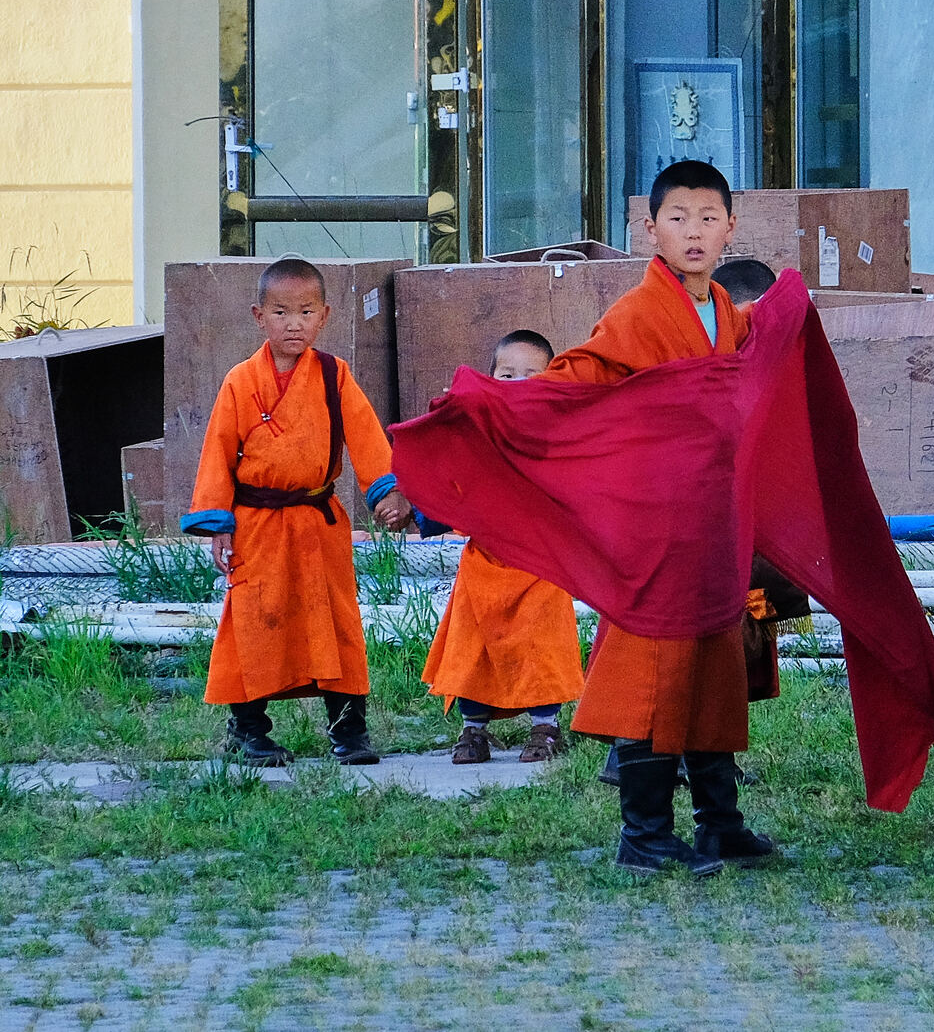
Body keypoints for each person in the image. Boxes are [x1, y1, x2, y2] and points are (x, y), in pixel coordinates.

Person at [544, 160, 776, 877]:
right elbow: (571, 383)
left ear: (731, 228)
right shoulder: (636, 314)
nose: (695, 232)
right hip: (655, 527)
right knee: (654, 672)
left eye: (709, 218)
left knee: (713, 671)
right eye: (678, 218)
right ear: (651, 229)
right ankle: (642, 832)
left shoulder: (730, 318)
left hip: (711, 523)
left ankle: (718, 823)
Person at [180, 257, 413, 766]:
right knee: (255, 621)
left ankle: (349, 731)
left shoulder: (334, 375)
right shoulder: (240, 381)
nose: (294, 323)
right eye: (281, 312)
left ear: (324, 316)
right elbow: (217, 451)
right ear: (258, 316)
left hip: (318, 522)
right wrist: (218, 525)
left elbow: (367, 436)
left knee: (336, 621)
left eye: (305, 311)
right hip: (256, 524)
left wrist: (387, 491)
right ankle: (246, 730)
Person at [419, 330, 585, 764]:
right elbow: (451, 483)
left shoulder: (559, 436)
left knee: (542, 647)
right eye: (506, 374)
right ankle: (473, 731)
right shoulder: (474, 431)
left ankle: (545, 727)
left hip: (541, 563)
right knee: (475, 651)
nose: (517, 383)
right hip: (484, 564)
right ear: (489, 377)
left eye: (531, 375)